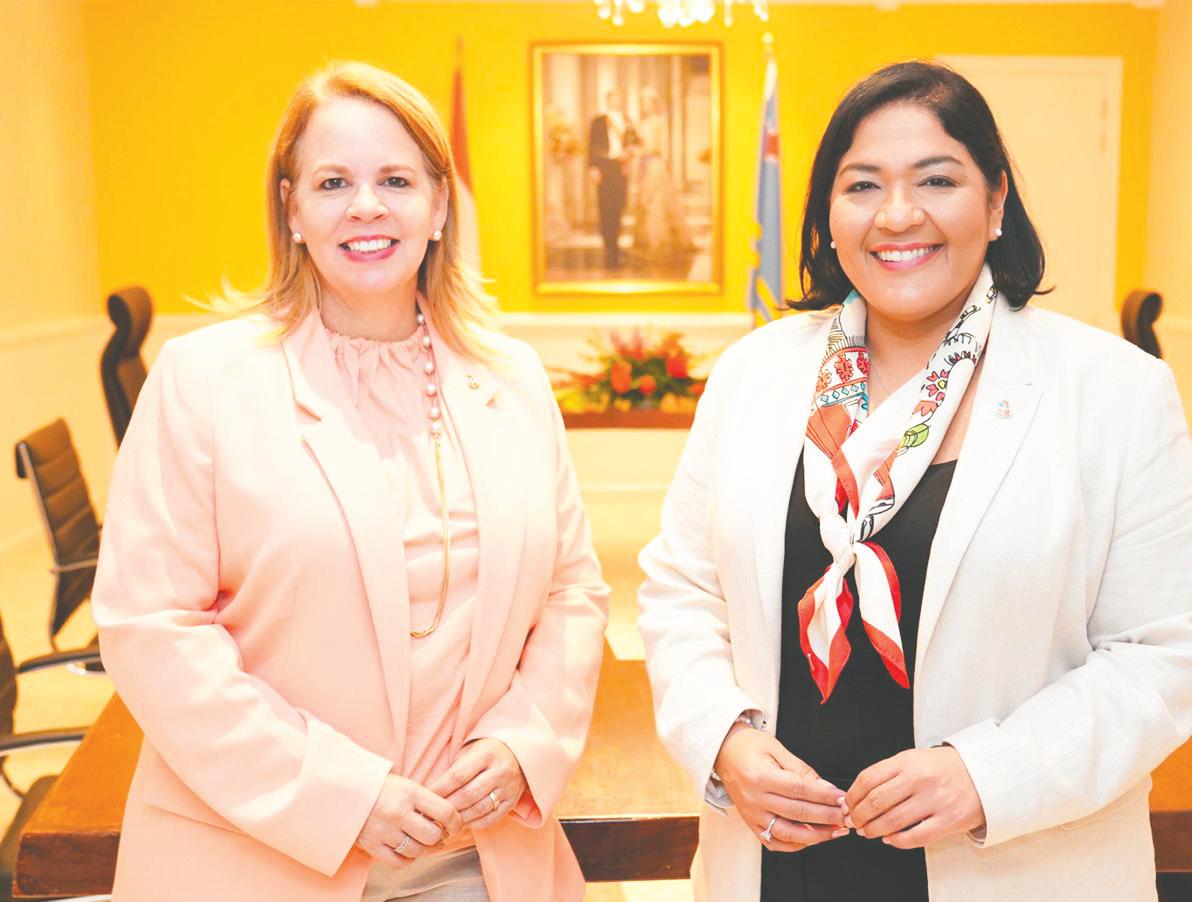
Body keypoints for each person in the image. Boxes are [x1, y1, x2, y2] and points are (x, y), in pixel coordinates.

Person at [637, 60, 1192, 901]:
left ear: (996, 202)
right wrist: (723, 739)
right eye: (863, 185)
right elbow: (681, 589)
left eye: (937, 179)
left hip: (1013, 864)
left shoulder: (1115, 392)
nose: (898, 215)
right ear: (828, 216)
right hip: (782, 860)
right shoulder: (754, 375)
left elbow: (1163, 653)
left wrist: (989, 775)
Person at [91, 61, 609, 902]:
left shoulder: (512, 378)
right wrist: (341, 798)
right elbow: (152, 627)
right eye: (333, 182)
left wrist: (526, 740)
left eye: (396, 180)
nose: (366, 205)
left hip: (473, 856)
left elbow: (573, 593)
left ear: (440, 207)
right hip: (257, 853)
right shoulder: (203, 380)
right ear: (291, 209)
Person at [632, 86, 694, 262]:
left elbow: (659, 146)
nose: (645, 105)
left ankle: (659, 243)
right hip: (644, 164)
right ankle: (646, 242)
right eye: (643, 102)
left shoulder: (659, 122)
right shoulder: (642, 123)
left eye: (647, 102)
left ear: (654, 104)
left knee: (657, 202)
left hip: (654, 164)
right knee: (645, 202)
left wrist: (642, 152)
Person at [587, 89, 637, 269]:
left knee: (618, 206)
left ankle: (615, 246)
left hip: (620, 168)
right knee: (605, 207)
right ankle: (609, 247)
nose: (616, 102)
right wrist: (593, 168)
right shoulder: (598, 121)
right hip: (603, 168)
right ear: (607, 101)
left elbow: (633, 143)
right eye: (613, 99)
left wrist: (629, 158)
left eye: (619, 99)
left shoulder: (627, 120)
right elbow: (591, 146)